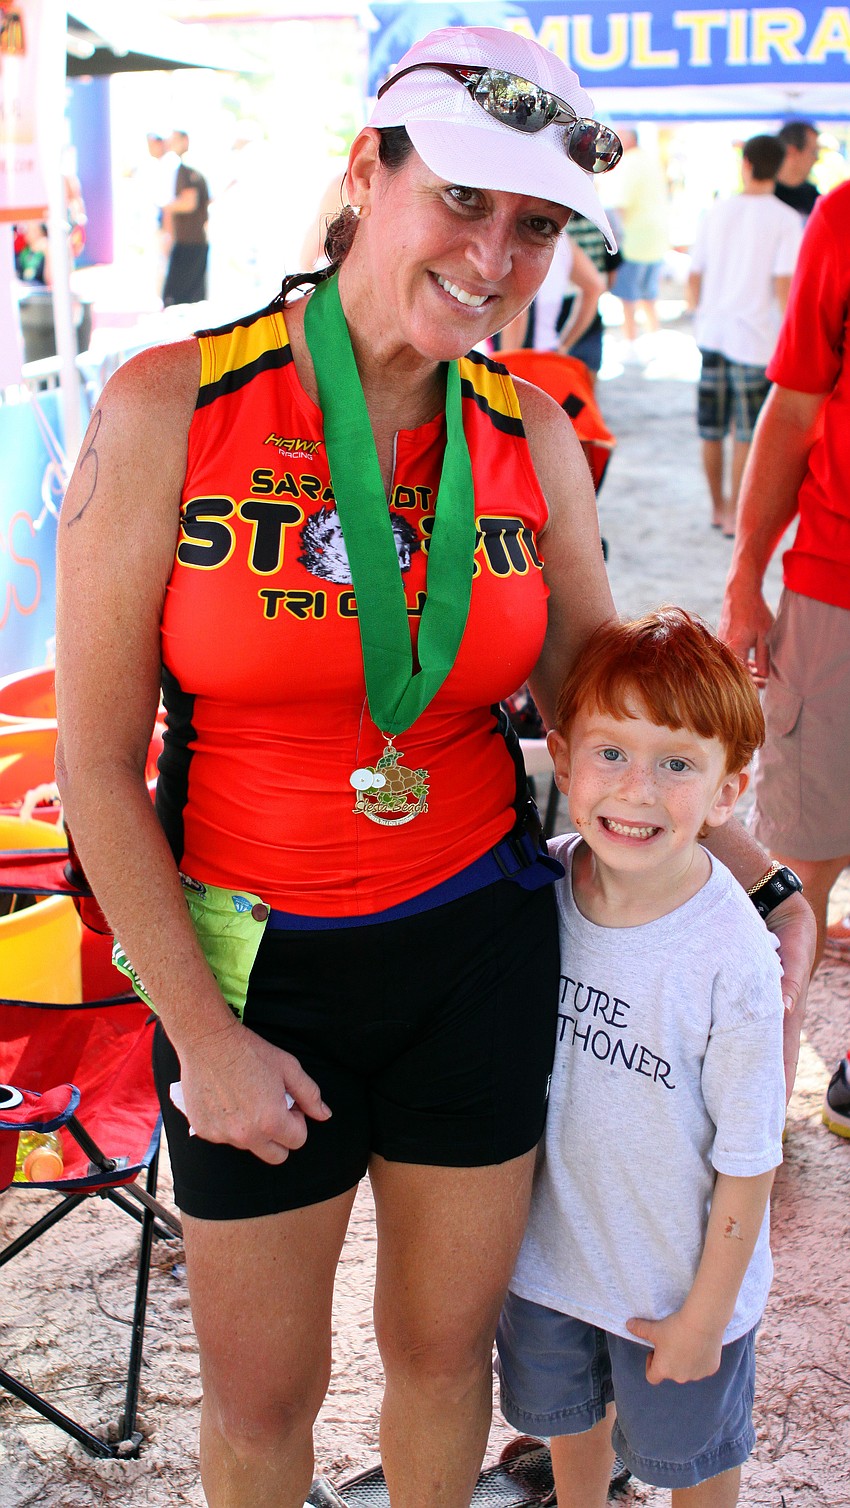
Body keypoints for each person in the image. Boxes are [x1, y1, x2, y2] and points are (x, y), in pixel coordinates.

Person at [54, 25, 813, 1508]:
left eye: (532, 225)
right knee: (263, 1401)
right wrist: (202, 1038)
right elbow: (91, 766)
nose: (495, 253)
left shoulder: (529, 429)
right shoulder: (170, 408)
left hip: (474, 954)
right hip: (254, 973)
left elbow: (614, 710)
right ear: (366, 172)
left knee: (442, 1361)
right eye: (463, 199)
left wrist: (766, 875)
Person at [497, 609, 785, 1507]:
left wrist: (704, 1318)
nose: (637, 791)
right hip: (549, 1266)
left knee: (689, 1464)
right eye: (611, 752)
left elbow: (749, 1158)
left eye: (677, 765)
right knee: (569, 1425)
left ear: (728, 791)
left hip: (678, 1285)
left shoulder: (731, 956)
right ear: (562, 751)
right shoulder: (539, 888)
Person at [718, 179, 850, 1140]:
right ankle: (755, 1111)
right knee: (801, 854)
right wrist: (745, 577)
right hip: (833, 587)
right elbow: (795, 403)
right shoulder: (841, 216)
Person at [688, 135, 802, 536]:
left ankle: (717, 509)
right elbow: (785, 288)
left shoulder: (716, 212)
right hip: (756, 338)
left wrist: (698, 315)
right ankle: (735, 514)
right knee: (745, 433)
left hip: (712, 331)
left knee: (710, 428)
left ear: (747, 164)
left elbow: (694, 276)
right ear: (780, 166)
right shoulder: (787, 220)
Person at [604, 127, 669, 356]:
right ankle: (654, 339)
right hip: (655, 239)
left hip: (634, 241)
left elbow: (619, 204)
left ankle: (631, 344)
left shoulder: (630, 163)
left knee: (628, 298)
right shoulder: (651, 160)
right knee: (648, 296)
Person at [498, 229, 605, 356]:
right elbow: (595, 287)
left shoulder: (523, 235)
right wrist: (565, 344)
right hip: (549, 350)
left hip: (520, 355)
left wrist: (506, 361)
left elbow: (517, 309)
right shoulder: (562, 239)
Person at [162, 129, 210, 307]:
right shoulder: (187, 169)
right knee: (189, 299)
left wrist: (167, 206)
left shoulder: (187, 169)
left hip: (190, 243)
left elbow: (189, 202)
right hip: (190, 241)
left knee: (179, 300)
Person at [774, 120, 821, 219]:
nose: (816, 159)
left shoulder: (814, 197)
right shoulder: (765, 194)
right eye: (813, 152)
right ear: (792, 152)